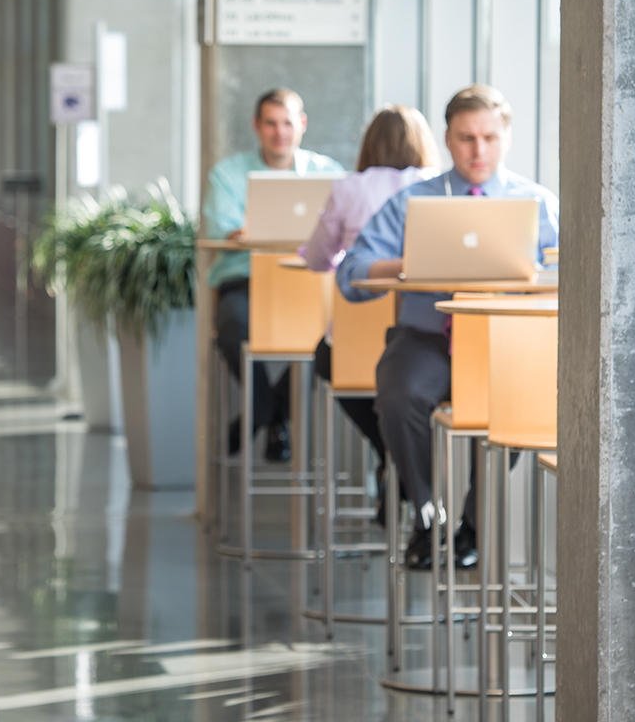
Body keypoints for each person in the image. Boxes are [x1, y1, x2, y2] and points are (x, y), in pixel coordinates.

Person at [336, 85, 558, 570]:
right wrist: (411, 264)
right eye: (466, 138)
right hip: (428, 340)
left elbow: (571, 277)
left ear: (506, 138)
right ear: (447, 138)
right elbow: (351, 271)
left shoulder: (537, 203)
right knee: (397, 393)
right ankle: (427, 515)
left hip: (506, 345)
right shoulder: (414, 201)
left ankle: (471, 526)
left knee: (520, 401)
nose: (479, 150)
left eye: (489, 138)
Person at [204, 88, 344, 460]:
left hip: (310, 284)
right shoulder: (228, 173)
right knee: (232, 325)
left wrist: (263, 230)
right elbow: (226, 228)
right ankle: (270, 415)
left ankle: (259, 416)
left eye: (287, 123)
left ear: (302, 125)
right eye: (270, 123)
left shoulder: (328, 173)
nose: (279, 132)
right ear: (256, 126)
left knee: (334, 338)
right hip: (246, 279)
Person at [302, 105, 440, 473]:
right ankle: (402, 457)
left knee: (325, 358)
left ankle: (388, 454)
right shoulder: (439, 186)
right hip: (430, 342)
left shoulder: (349, 187)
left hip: (355, 340)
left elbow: (317, 259)